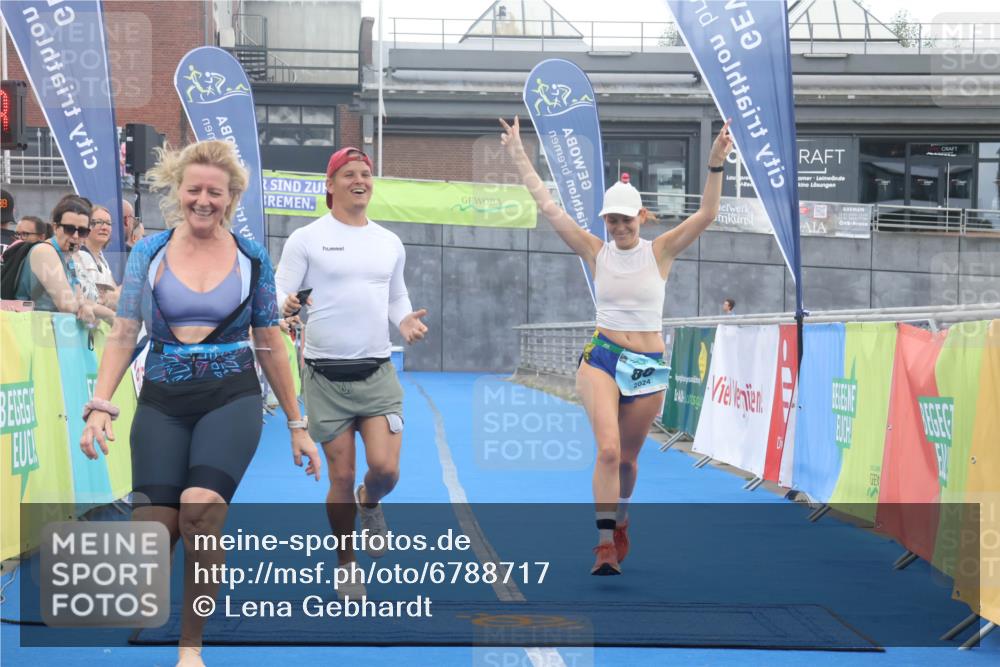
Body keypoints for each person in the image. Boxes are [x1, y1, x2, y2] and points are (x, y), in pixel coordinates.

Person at [80, 139, 322, 667]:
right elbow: (123, 333)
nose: (204, 200)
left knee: (200, 513)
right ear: (178, 192)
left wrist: (297, 422)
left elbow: (270, 343)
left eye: (216, 192)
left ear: (231, 196)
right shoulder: (149, 252)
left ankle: (191, 645)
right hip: (162, 399)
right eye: (194, 190)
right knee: (153, 533)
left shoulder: (252, 258)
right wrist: (100, 402)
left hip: (230, 396)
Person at [500, 115, 732, 575]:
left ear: (641, 217)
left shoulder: (660, 250)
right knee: (606, 450)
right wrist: (520, 157)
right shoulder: (594, 249)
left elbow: (706, 214)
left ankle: (621, 519)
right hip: (602, 357)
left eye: (625, 219)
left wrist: (714, 165)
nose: (618, 227)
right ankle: (604, 543)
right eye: (611, 220)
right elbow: (549, 207)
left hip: (647, 365)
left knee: (627, 460)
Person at [275, 146, 428, 598]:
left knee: (384, 470)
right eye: (349, 174)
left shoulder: (388, 242)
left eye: (366, 174)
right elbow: (283, 290)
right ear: (330, 184)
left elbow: (396, 297)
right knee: (340, 477)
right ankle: (346, 563)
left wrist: (406, 322)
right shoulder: (306, 238)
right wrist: (286, 305)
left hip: (378, 372)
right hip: (324, 377)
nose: (360, 180)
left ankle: (371, 500)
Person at [8, 194, 114, 324]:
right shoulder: (44, 251)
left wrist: (114, 317)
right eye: (69, 229)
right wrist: (86, 308)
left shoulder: (67, 255)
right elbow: (67, 304)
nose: (75, 236)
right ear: (55, 227)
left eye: (82, 231)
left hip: (50, 336)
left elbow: (81, 300)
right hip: (31, 336)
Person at [76, 204, 120, 309]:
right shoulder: (77, 255)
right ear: (85, 226)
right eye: (98, 222)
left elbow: (114, 294)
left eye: (108, 223)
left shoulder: (102, 261)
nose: (104, 227)